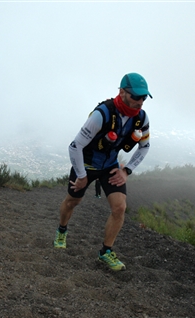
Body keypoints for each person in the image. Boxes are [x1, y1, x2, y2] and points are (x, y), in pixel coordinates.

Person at [53, 72, 152, 271]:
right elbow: (75, 146)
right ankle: (62, 230)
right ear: (122, 92)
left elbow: (144, 146)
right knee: (73, 201)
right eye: (136, 96)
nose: (140, 101)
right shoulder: (102, 114)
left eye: (144, 97)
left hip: (110, 166)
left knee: (119, 208)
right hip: (87, 164)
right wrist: (81, 175)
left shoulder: (141, 118)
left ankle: (105, 252)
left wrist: (127, 171)